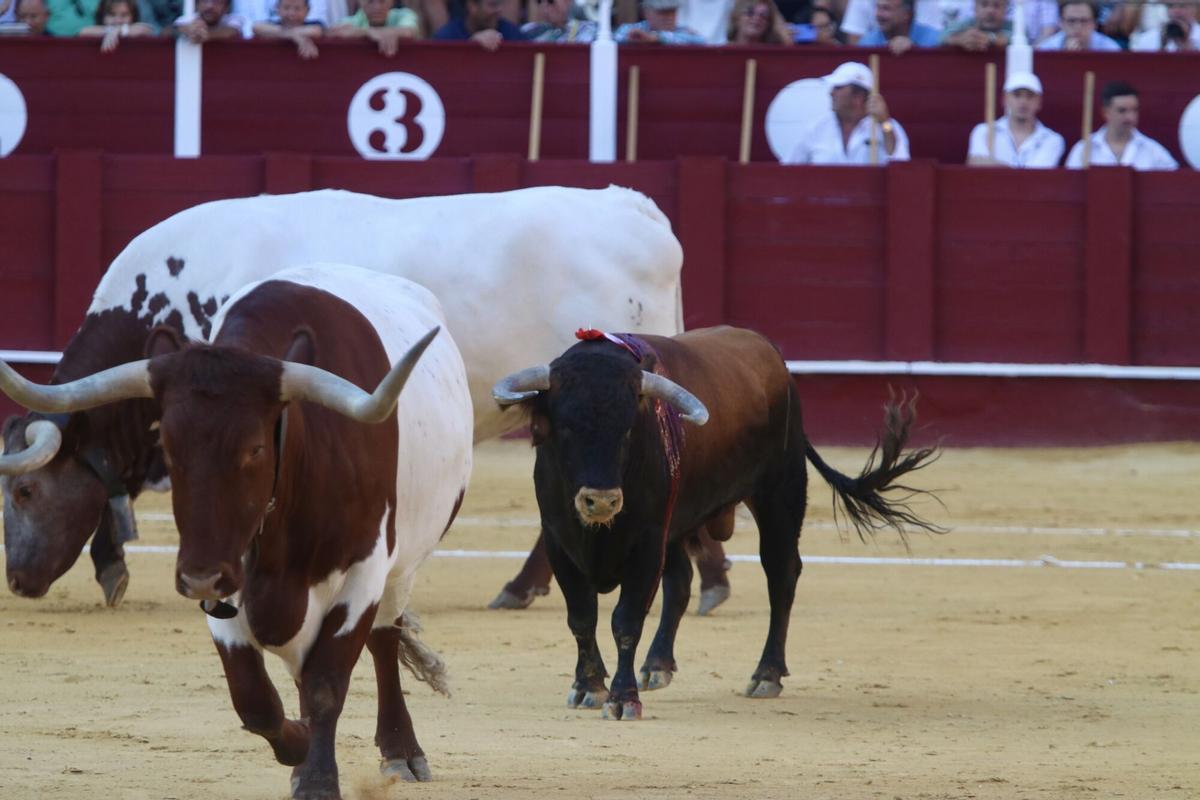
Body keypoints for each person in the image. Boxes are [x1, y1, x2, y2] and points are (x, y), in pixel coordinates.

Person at [783, 60, 910, 164]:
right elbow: (788, 169)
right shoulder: (817, 127)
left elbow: (899, 167)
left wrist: (885, 124)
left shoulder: (887, 126)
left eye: (838, 88)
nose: (831, 93)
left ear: (858, 95)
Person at [1066, 81, 1179, 170]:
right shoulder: (1083, 148)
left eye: (1134, 110)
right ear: (1105, 112)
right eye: (1122, 111)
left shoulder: (1153, 150)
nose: (1130, 117)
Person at [967, 72, 1064, 168]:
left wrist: (997, 166)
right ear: (1004, 99)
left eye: (1029, 96)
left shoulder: (1051, 139)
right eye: (1017, 95)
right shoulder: (984, 131)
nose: (1023, 101)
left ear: (1039, 102)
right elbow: (975, 163)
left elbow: (1035, 174)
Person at [330, 0, 418, 54]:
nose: (377, 7)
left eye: (382, 1)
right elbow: (333, 33)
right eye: (370, 1)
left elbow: (410, 30)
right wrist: (368, 32)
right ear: (360, 2)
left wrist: (374, 32)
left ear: (392, 1)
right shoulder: (352, 21)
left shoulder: (404, 15)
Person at [433, 0, 526, 50]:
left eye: (500, 4)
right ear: (472, 6)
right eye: (492, 5)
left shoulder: (513, 34)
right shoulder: (447, 37)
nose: (499, 10)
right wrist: (471, 46)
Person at [856, 0, 940, 53]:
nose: (878, 14)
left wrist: (914, 49)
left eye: (886, 8)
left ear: (906, 14)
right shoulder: (867, 43)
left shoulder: (934, 41)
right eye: (878, 8)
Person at [252, 0, 323, 58]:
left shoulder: (316, 24)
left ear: (307, 10)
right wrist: (293, 36)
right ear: (277, 9)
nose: (291, 13)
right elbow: (256, 27)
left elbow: (316, 31)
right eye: (286, 8)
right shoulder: (271, 24)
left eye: (297, 8)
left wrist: (288, 34)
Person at [1037, 0, 1121, 49]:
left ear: (1094, 24)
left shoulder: (1109, 48)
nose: (1078, 26)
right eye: (1071, 21)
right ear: (1061, 23)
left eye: (1084, 21)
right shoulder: (1047, 49)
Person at [615, 0, 708, 43]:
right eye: (662, 12)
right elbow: (618, 37)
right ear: (646, 12)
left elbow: (701, 41)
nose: (669, 17)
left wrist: (657, 38)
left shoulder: (683, 32)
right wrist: (635, 39)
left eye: (672, 12)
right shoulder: (634, 29)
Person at [79, 0, 154, 51]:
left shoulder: (137, 27)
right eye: (112, 14)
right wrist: (110, 31)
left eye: (124, 15)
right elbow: (82, 31)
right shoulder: (96, 29)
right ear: (102, 16)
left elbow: (147, 29)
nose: (118, 20)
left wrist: (119, 30)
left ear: (133, 16)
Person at [1130, 0, 1199, 50]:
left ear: (1195, 8)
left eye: (1182, 6)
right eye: (1170, 6)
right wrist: (1161, 46)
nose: (1176, 11)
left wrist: (1189, 50)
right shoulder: (1147, 39)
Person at [942, 0, 1010, 49]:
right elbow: (942, 36)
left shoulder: (1014, 27)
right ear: (975, 8)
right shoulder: (965, 24)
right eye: (984, 5)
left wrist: (991, 39)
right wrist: (960, 39)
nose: (990, 11)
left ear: (1006, 10)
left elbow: (1013, 38)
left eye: (996, 6)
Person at [520, 0, 599, 41]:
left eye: (550, 1)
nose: (544, 6)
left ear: (567, 1)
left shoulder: (591, 31)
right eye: (539, 1)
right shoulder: (528, 31)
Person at [726, 0, 793, 43]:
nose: (757, 18)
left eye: (763, 15)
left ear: (769, 24)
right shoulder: (723, 53)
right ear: (736, 18)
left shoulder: (773, 56)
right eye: (750, 13)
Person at [175, 0, 243, 41]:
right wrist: (187, 30)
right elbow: (175, 28)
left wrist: (201, 34)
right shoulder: (187, 19)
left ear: (226, 8)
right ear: (197, 5)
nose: (210, 6)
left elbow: (231, 31)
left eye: (217, 2)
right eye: (205, 1)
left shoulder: (233, 20)